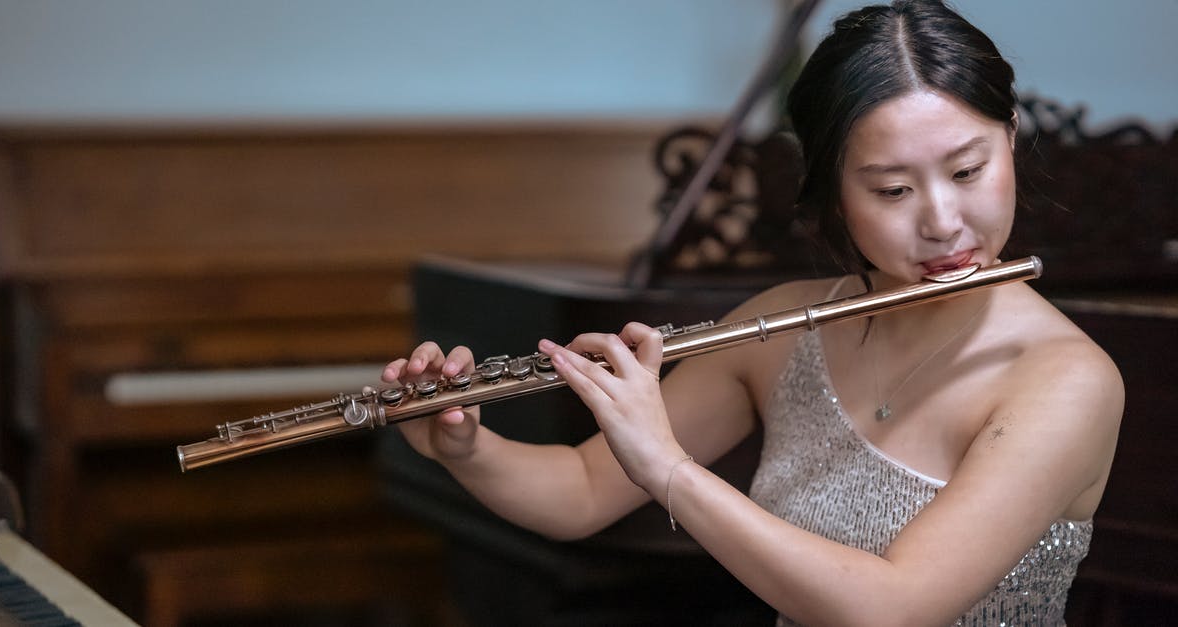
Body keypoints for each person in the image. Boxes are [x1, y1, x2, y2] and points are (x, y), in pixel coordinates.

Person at [382, 1, 1124, 624]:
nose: (943, 221)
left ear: (1012, 136)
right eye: (893, 190)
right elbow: (580, 492)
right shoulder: (785, 326)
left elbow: (894, 607)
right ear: (834, 192)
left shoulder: (1065, 381)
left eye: (969, 170)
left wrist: (667, 467)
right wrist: (463, 447)